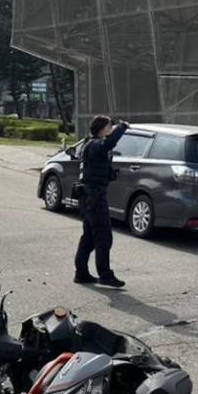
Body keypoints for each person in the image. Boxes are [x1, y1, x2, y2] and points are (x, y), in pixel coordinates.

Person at [74, 115, 129, 288]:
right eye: (109, 127)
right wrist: (122, 127)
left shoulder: (89, 144)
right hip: (94, 197)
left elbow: (94, 167)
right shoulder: (97, 144)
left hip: (88, 196)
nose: (111, 129)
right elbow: (108, 143)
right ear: (101, 129)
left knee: (89, 237)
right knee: (104, 237)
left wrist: (110, 174)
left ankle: (81, 273)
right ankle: (105, 275)